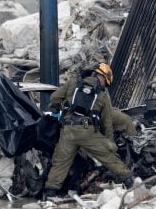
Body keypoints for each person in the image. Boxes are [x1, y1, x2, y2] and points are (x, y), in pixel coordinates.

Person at [43, 63, 135, 199]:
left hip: (68, 131)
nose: (105, 86)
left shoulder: (73, 83)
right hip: (87, 132)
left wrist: (60, 108)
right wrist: (110, 144)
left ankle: (49, 196)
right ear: (103, 78)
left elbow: (54, 99)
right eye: (106, 83)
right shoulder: (102, 95)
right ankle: (132, 184)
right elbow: (107, 123)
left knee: (60, 164)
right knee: (109, 158)